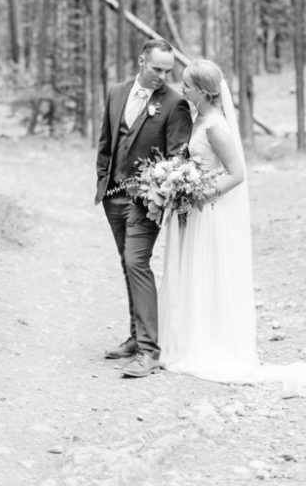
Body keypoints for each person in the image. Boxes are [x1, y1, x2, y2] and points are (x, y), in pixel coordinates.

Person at [158, 58, 306, 401]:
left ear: (204, 92)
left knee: (207, 273)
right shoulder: (199, 119)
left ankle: (207, 344)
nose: (182, 89)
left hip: (206, 211)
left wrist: (199, 194)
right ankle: (187, 337)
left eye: (187, 85)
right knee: (193, 273)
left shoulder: (216, 126)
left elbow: (237, 174)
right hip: (192, 209)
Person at [95, 38, 192, 379]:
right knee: (127, 262)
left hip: (146, 203)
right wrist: (103, 183)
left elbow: (179, 157)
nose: (162, 76)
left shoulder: (175, 104)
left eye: (168, 70)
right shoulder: (115, 92)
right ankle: (136, 338)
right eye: (156, 69)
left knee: (137, 262)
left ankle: (150, 351)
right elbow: (106, 142)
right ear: (141, 61)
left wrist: (157, 192)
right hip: (113, 197)